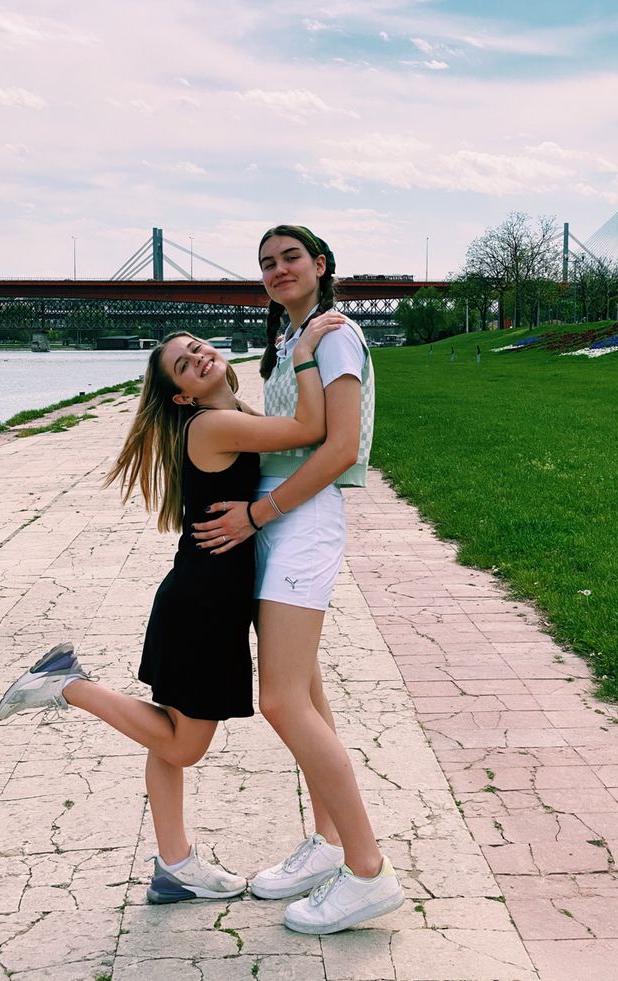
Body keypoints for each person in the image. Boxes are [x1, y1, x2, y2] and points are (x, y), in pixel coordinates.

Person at [0, 319, 341, 906]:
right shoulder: (211, 424)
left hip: (199, 600)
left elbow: (290, 435)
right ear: (182, 396)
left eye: (198, 347)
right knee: (183, 746)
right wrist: (306, 352)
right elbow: (312, 427)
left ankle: (174, 866)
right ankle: (67, 686)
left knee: (168, 734)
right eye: (184, 364)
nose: (199, 356)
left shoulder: (231, 417)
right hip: (203, 610)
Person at [192, 225, 404, 934]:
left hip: (301, 520)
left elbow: (340, 443)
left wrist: (259, 512)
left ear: (321, 264)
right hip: (284, 519)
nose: (278, 269)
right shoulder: (295, 338)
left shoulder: (332, 335)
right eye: (266, 263)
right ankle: (332, 842)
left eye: (291, 257)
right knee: (306, 690)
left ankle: (367, 870)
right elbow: (290, 427)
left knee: (281, 699)